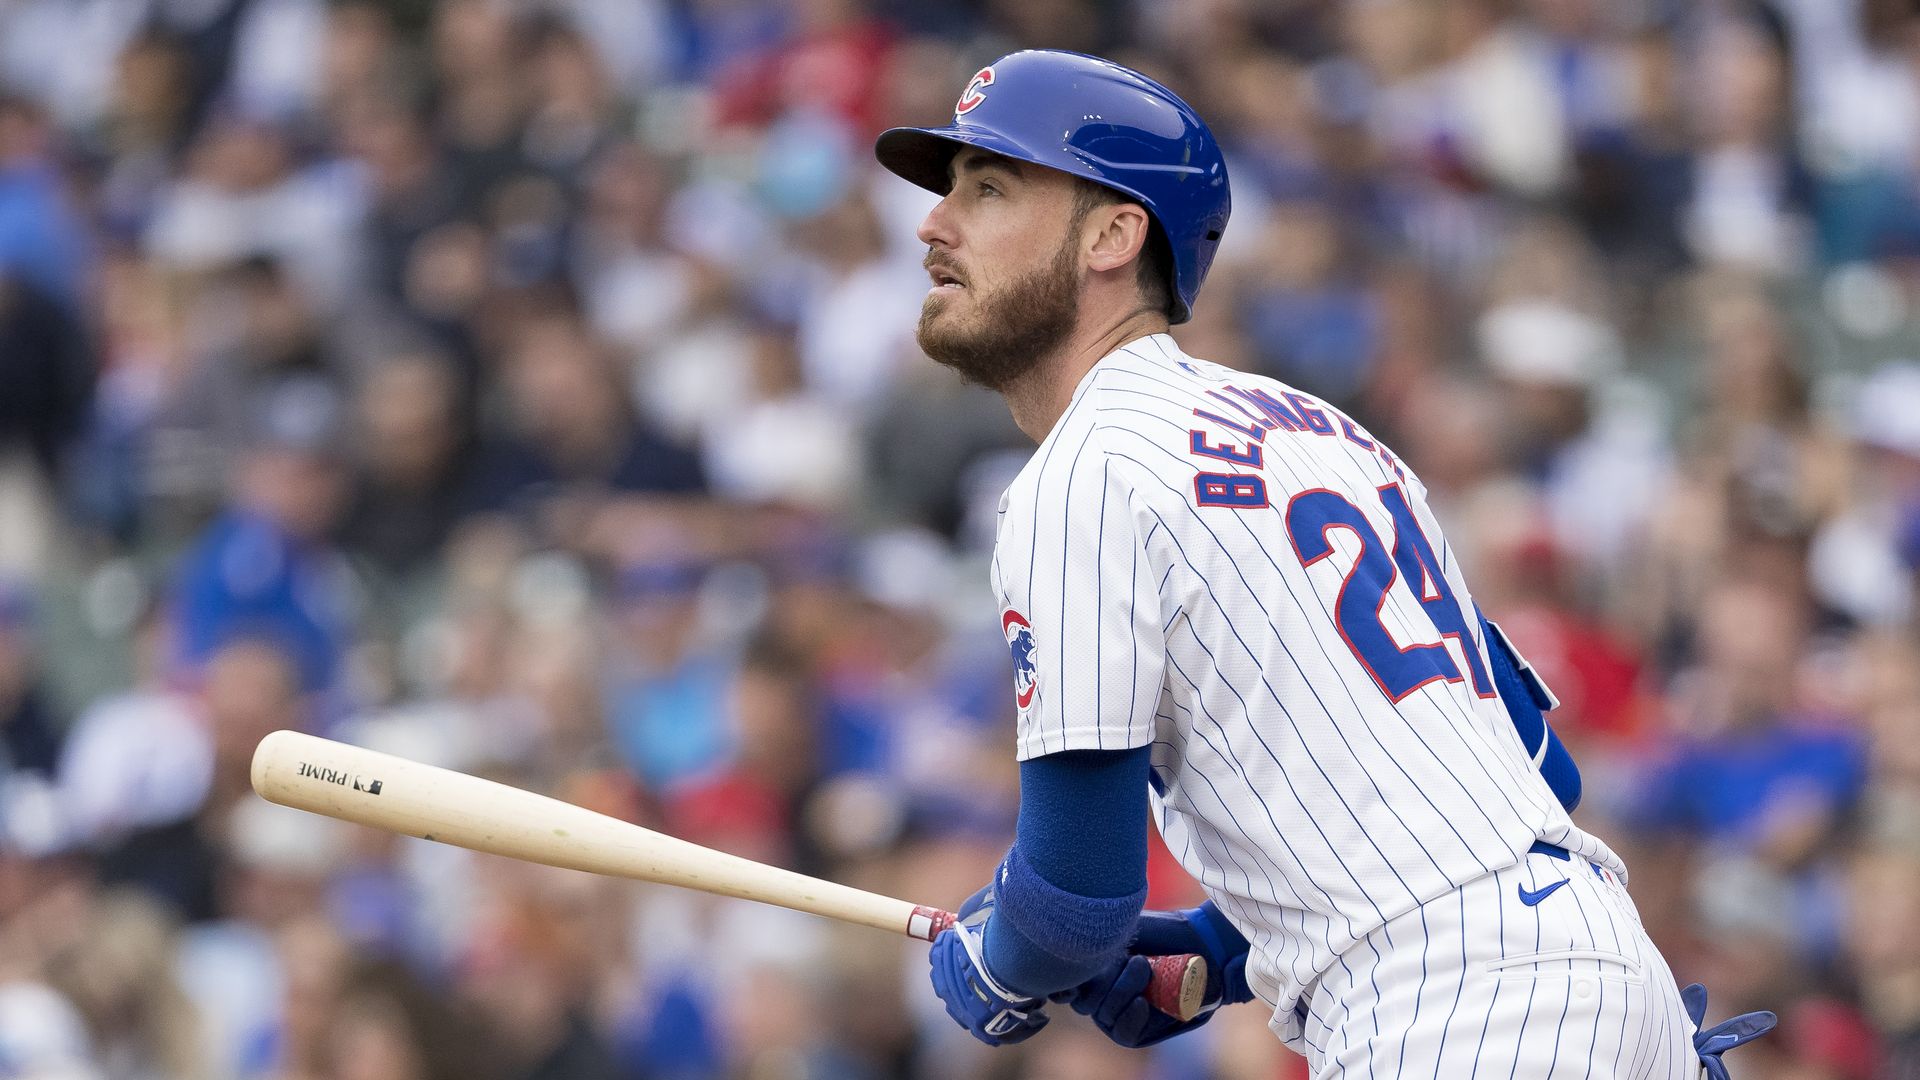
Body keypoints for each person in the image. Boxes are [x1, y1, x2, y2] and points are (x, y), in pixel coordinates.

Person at [874, 50, 1776, 1077]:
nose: (933, 225)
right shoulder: (1325, 434)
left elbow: (1073, 900)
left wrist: (998, 964)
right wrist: (1218, 951)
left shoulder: (1085, 472)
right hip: (1597, 971)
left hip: (1455, 1010)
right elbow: (1536, 762)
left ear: (1116, 235)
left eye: (989, 189)